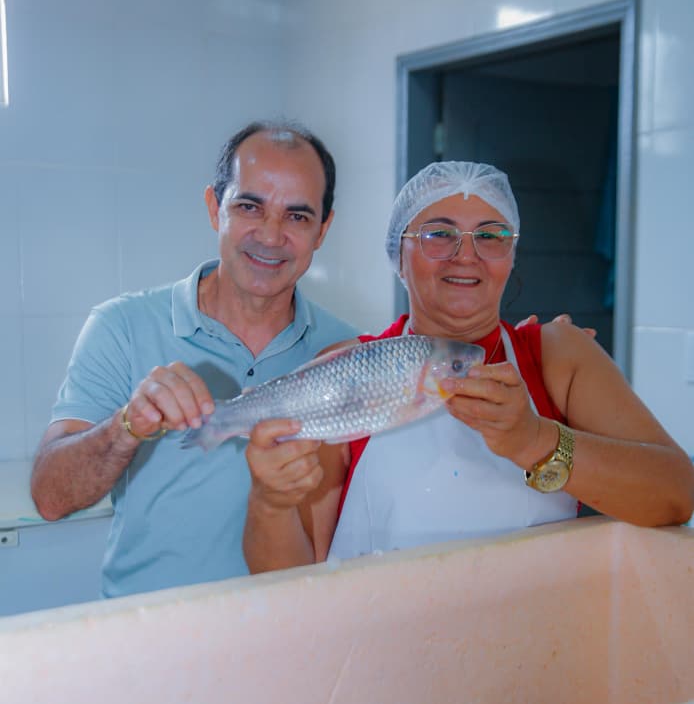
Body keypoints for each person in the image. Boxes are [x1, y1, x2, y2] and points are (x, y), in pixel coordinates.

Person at [243, 161, 694, 573]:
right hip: (380, 651)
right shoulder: (351, 371)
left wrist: (536, 440)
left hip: (533, 650)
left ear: (511, 255)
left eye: (491, 236)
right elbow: (289, 578)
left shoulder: (558, 356)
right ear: (398, 256)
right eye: (439, 234)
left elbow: (676, 496)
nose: (466, 254)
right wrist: (270, 502)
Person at [30, 121, 358, 597]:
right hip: (151, 642)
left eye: (297, 217)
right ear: (214, 208)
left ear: (322, 230)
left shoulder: (345, 354)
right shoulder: (122, 326)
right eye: (250, 206)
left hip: (284, 643)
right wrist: (128, 425)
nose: (270, 235)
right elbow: (50, 497)